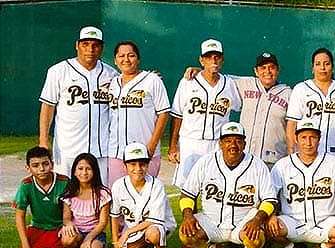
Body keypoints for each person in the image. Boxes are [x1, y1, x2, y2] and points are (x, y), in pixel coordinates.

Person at [178, 122, 274, 248]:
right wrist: (188, 216)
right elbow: (187, 194)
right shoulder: (206, 162)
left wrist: (256, 220)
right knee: (185, 234)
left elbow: (270, 200)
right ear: (220, 143)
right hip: (211, 221)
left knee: (257, 239)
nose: (233, 145)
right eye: (228, 141)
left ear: (244, 143)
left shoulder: (257, 165)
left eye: (238, 141)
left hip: (244, 221)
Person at [38, 26, 117, 185]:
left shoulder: (111, 74)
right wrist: (43, 140)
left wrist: (150, 77)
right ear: (77, 45)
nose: (90, 49)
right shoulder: (58, 71)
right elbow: (48, 107)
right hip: (67, 149)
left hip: (100, 149)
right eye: (85, 44)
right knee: (65, 196)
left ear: (101, 47)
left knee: (99, 196)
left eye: (95, 45)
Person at [267, 118, 335, 248]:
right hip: (292, 221)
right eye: (304, 137)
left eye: (312, 137)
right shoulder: (283, 165)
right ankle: (290, 247)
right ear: (296, 139)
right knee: (267, 227)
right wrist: (272, 215)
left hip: (325, 221)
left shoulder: (333, 163)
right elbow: (270, 195)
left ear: (319, 139)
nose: (308, 142)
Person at [168, 39, 242, 187]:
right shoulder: (188, 82)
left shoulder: (230, 84)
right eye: (208, 57)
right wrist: (173, 146)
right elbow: (177, 116)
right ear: (201, 60)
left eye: (217, 57)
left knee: (216, 186)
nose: (213, 60)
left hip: (217, 144)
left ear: (222, 59)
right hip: (191, 142)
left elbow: (240, 104)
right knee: (188, 186)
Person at [107, 41, 170, 185]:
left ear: (138, 59)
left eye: (131, 55)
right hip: (116, 152)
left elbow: (164, 113)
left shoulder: (152, 80)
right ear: (115, 61)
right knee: (117, 198)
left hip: (145, 152)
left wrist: (152, 146)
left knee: (146, 198)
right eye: (121, 56)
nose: (126, 60)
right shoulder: (113, 83)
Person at [110, 143, 177, 248]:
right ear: (124, 166)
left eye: (142, 164)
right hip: (134, 227)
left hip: (158, 226)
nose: (138, 168)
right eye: (132, 164)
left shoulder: (156, 185)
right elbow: (114, 216)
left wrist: (126, 233)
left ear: (147, 165)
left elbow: (154, 219)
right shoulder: (118, 186)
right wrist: (116, 246)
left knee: (153, 234)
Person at [286, 48, 335, 161]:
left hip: (334, 153)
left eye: (327, 64)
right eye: (318, 64)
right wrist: (291, 151)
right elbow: (292, 124)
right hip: (306, 155)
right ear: (312, 68)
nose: (322, 68)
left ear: (333, 67)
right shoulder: (301, 89)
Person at [12, 147, 70, 248]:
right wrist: (25, 246)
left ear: (52, 164)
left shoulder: (63, 182)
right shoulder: (26, 185)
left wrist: (66, 226)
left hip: (59, 228)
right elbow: (19, 216)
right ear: (28, 168)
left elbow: (71, 210)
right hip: (38, 227)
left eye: (45, 164)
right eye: (36, 165)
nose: (42, 169)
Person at [235, 53, 292, 169]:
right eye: (263, 68)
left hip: (274, 161)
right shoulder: (245, 84)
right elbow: (218, 78)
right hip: (244, 158)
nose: (267, 71)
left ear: (278, 70)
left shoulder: (288, 93)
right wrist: (198, 71)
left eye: (271, 67)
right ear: (256, 71)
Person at [60, 153, 112, 248]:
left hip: (95, 233)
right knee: (67, 239)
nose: (84, 173)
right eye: (80, 168)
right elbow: (66, 218)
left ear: (95, 171)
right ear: (74, 171)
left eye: (88, 169)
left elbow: (103, 223)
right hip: (77, 232)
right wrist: (68, 225)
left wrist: (89, 238)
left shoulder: (103, 194)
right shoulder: (69, 193)